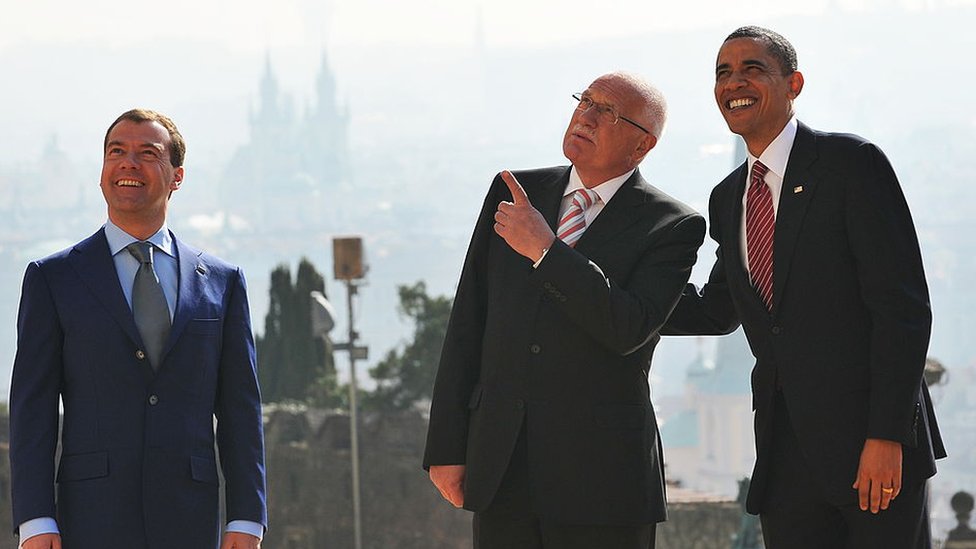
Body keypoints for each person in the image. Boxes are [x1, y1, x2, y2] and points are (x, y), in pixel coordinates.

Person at [663, 26, 945, 548]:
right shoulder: (728, 197)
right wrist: (607, 286)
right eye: (723, 72)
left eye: (752, 68)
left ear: (793, 83)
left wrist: (886, 435)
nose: (734, 82)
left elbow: (901, 310)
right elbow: (717, 309)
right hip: (786, 460)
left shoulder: (850, 164)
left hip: (871, 449)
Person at [423, 72, 705, 549]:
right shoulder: (514, 192)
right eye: (585, 101)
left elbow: (628, 325)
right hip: (503, 466)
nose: (587, 116)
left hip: (603, 481)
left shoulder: (672, 225)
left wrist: (546, 251)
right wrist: (447, 447)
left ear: (643, 146)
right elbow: (471, 318)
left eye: (607, 112)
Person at [9, 109, 268, 549]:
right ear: (102, 172)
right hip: (89, 517)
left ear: (176, 177)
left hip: (191, 516)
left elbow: (241, 409)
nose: (128, 163)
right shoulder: (53, 279)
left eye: (147, 153)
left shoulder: (223, 282)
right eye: (116, 152)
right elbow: (32, 408)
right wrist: (35, 519)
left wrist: (246, 517)